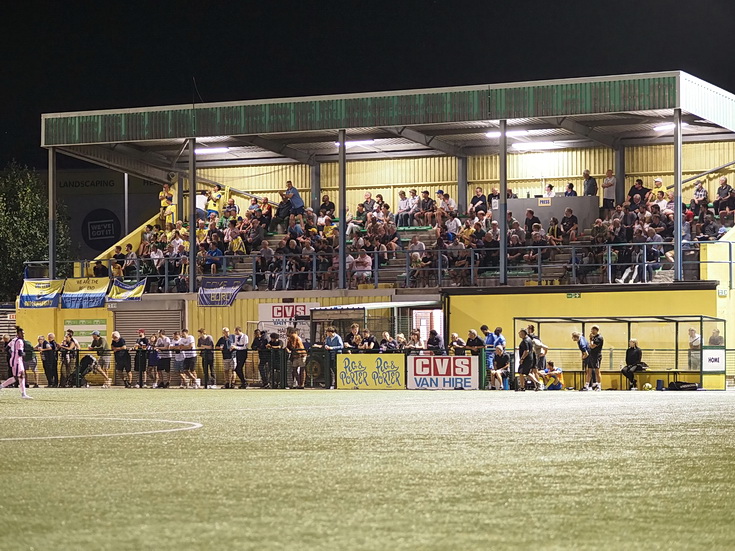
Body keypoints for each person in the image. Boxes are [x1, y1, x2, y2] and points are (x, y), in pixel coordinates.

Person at [0, 327, 32, 398]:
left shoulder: (13, 340)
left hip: (15, 360)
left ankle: (23, 394)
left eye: (23, 333)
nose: (23, 335)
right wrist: (25, 354)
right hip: (17, 361)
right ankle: (1, 386)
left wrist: (12, 353)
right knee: (16, 377)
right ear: (18, 333)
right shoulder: (20, 341)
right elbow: (21, 353)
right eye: (22, 333)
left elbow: (6, 349)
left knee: (21, 376)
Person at [586, 325, 604, 391]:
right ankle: (587, 385)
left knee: (597, 371)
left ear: (596, 330)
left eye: (593, 330)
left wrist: (590, 340)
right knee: (589, 370)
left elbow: (592, 346)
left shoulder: (599, 338)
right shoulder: (594, 337)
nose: (591, 331)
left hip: (596, 356)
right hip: (591, 355)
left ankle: (599, 385)